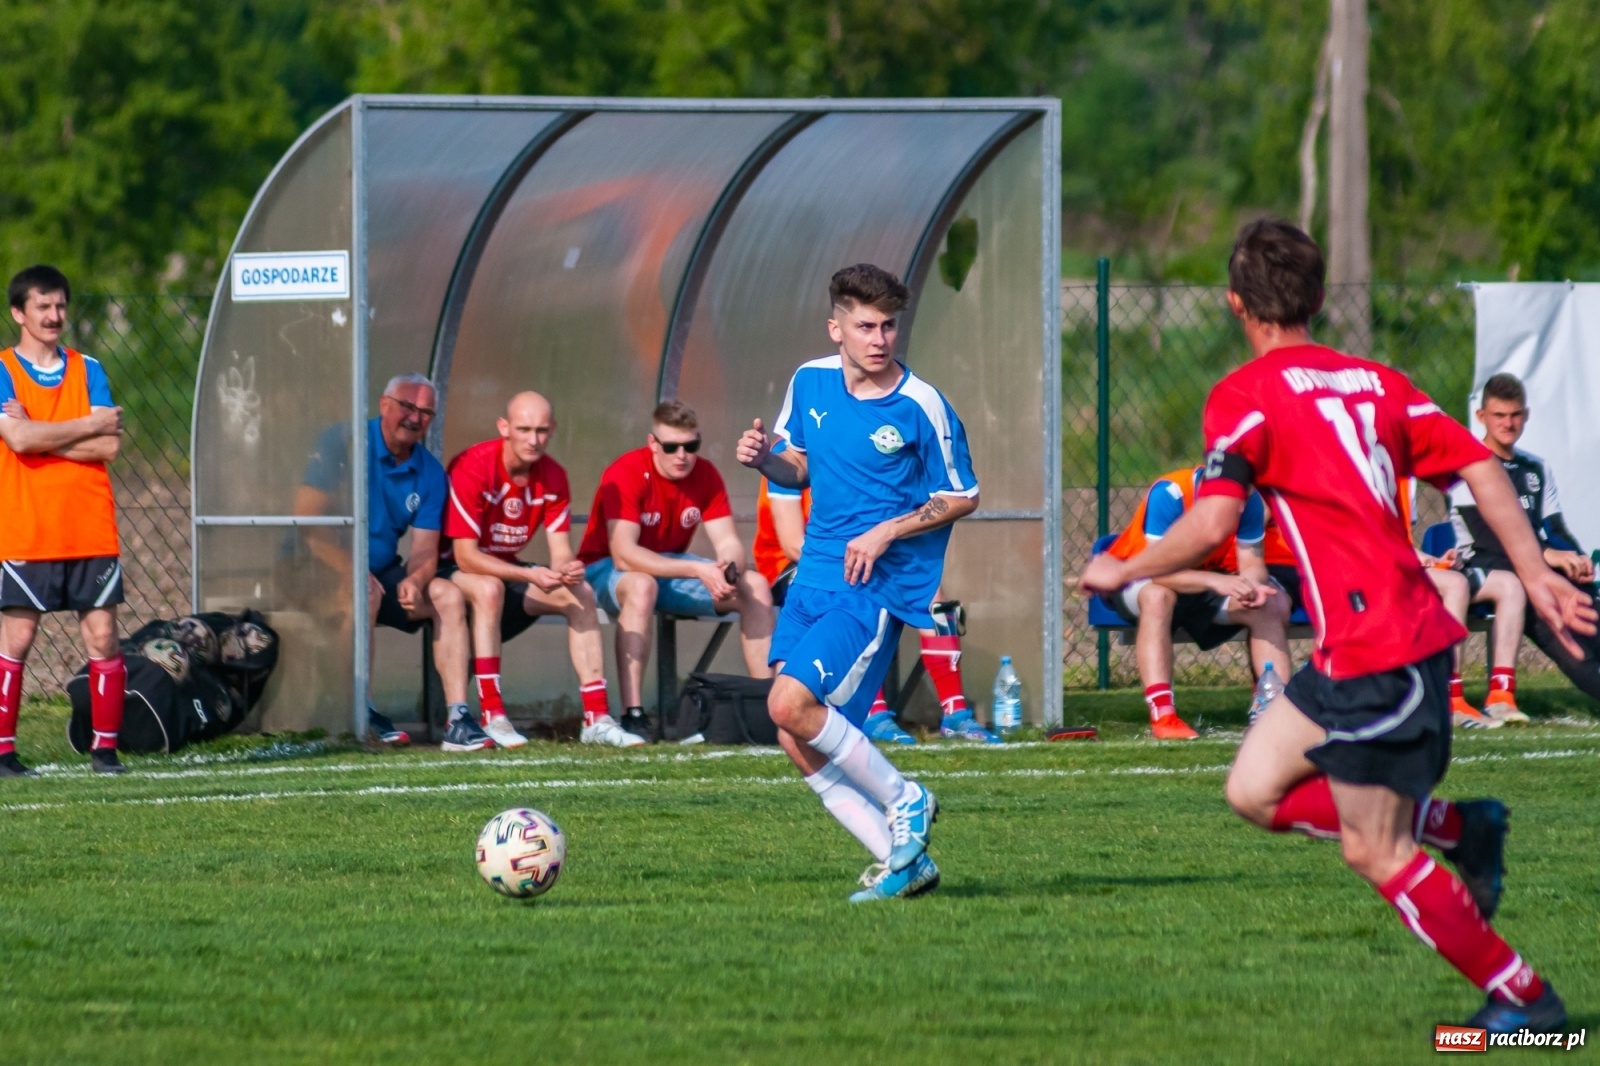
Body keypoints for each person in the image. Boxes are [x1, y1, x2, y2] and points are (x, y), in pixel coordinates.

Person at [1080, 220, 1593, 1033]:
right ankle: (1464, 826)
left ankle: (1528, 999)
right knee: (1251, 789)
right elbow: (1477, 463)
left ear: (1235, 304)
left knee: (1373, 850)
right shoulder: (1378, 382)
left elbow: (1215, 513)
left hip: (1387, 650)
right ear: (1318, 299)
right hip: (1359, 647)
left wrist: (1126, 565)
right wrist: (1534, 569)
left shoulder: (1244, 396)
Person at [737, 263, 977, 902]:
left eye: (889, 325)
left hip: (874, 585)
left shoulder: (922, 404)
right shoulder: (809, 381)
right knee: (793, 731)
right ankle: (902, 863)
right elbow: (799, 469)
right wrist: (766, 459)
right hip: (812, 578)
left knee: (788, 704)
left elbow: (962, 494)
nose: (879, 338)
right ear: (836, 327)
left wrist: (887, 531)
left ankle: (907, 797)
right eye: (865, 325)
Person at [295, 373, 482, 750]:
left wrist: (416, 579)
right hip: (311, 564)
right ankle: (358, 713)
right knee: (365, 594)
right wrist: (352, 569)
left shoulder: (429, 471)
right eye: (407, 406)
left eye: (425, 412)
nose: (415, 418)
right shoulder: (344, 441)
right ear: (384, 405)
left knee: (446, 594)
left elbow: (426, 548)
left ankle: (458, 720)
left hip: (379, 572)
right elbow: (308, 519)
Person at [444, 391, 639, 749]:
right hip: (455, 572)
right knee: (489, 588)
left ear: (553, 430)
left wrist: (569, 570)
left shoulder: (553, 476)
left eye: (541, 430)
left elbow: (560, 551)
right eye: (524, 429)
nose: (533, 440)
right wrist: (531, 575)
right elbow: (464, 556)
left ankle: (596, 718)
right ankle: (492, 715)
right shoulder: (473, 466)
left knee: (579, 593)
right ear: (504, 427)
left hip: (508, 572)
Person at [578, 400, 774, 741]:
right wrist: (698, 571)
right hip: (604, 568)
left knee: (754, 584)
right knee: (641, 586)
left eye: (691, 446)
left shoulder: (706, 474)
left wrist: (727, 572)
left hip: (666, 569)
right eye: (671, 447)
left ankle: (767, 706)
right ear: (653, 443)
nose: (681, 455)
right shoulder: (626, 471)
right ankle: (634, 715)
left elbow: (728, 543)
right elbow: (623, 554)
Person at [0, 265, 128, 776]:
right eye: (42, 307)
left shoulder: (88, 366)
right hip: (29, 526)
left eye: (59, 306)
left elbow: (110, 446)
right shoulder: (4, 369)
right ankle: (5, 753)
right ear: (19, 314)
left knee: (103, 638)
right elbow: (19, 441)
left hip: (89, 525)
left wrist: (45, 432)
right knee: (18, 641)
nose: (54, 316)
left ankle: (106, 752)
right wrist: (88, 425)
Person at [755, 476, 999, 745]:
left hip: (865, 561)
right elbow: (791, 544)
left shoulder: (860, 456)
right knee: (856, 595)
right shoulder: (787, 460)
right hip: (798, 568)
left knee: (936, 602)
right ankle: (872, 711)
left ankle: (955, 712)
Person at [1098, 465, 1292, 739]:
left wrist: (1252, 585)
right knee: (1158, 597)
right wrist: (1216, 582)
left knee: (1268, 605)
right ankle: (1163, 715)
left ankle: (1274, 710)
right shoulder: (1170, 493)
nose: (1238, 509)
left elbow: (1252, 563)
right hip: (1136, 575)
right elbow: (1158, 571)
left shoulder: (1247, 501)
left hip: (1201, 579)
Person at [1449, 372, 1600, 707]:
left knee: (1588, 603)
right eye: (1499, 415)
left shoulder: (1535, 468)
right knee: (1558, 624)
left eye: (1515, 415)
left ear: (1526, 415)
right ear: (1481, 417)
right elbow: (1489, 542)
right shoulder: (1468, 468)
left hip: (1532, 566)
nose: (1508, 423)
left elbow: (1555, 528)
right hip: (1488, 568)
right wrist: (1549, 557)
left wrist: (1575, 560)